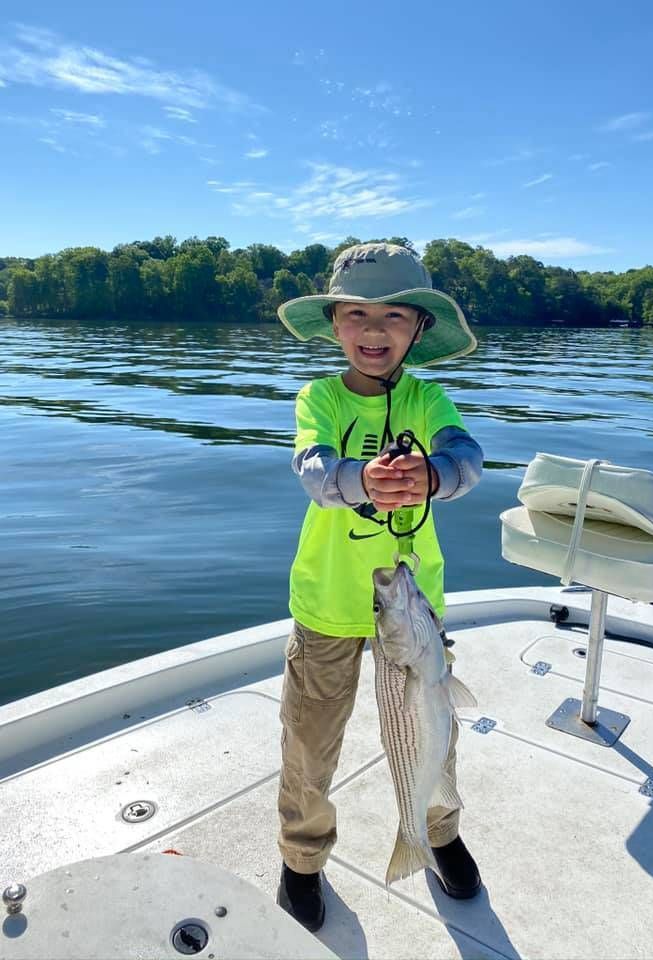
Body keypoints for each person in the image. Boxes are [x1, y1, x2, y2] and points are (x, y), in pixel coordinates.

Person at [275, 242, 484, 931]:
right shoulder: (320, 397)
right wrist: (358, 480)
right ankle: (302, 858)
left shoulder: (429, 398)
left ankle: (438, 830)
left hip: (414, 608)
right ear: (334, 325)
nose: (373, 329)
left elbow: (467, 455)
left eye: (394, 315)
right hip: (330, 602)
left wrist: (436, 475)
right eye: (356, 314)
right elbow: (312, 467)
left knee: (434, 728)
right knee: (310, 743)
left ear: (419, 329)